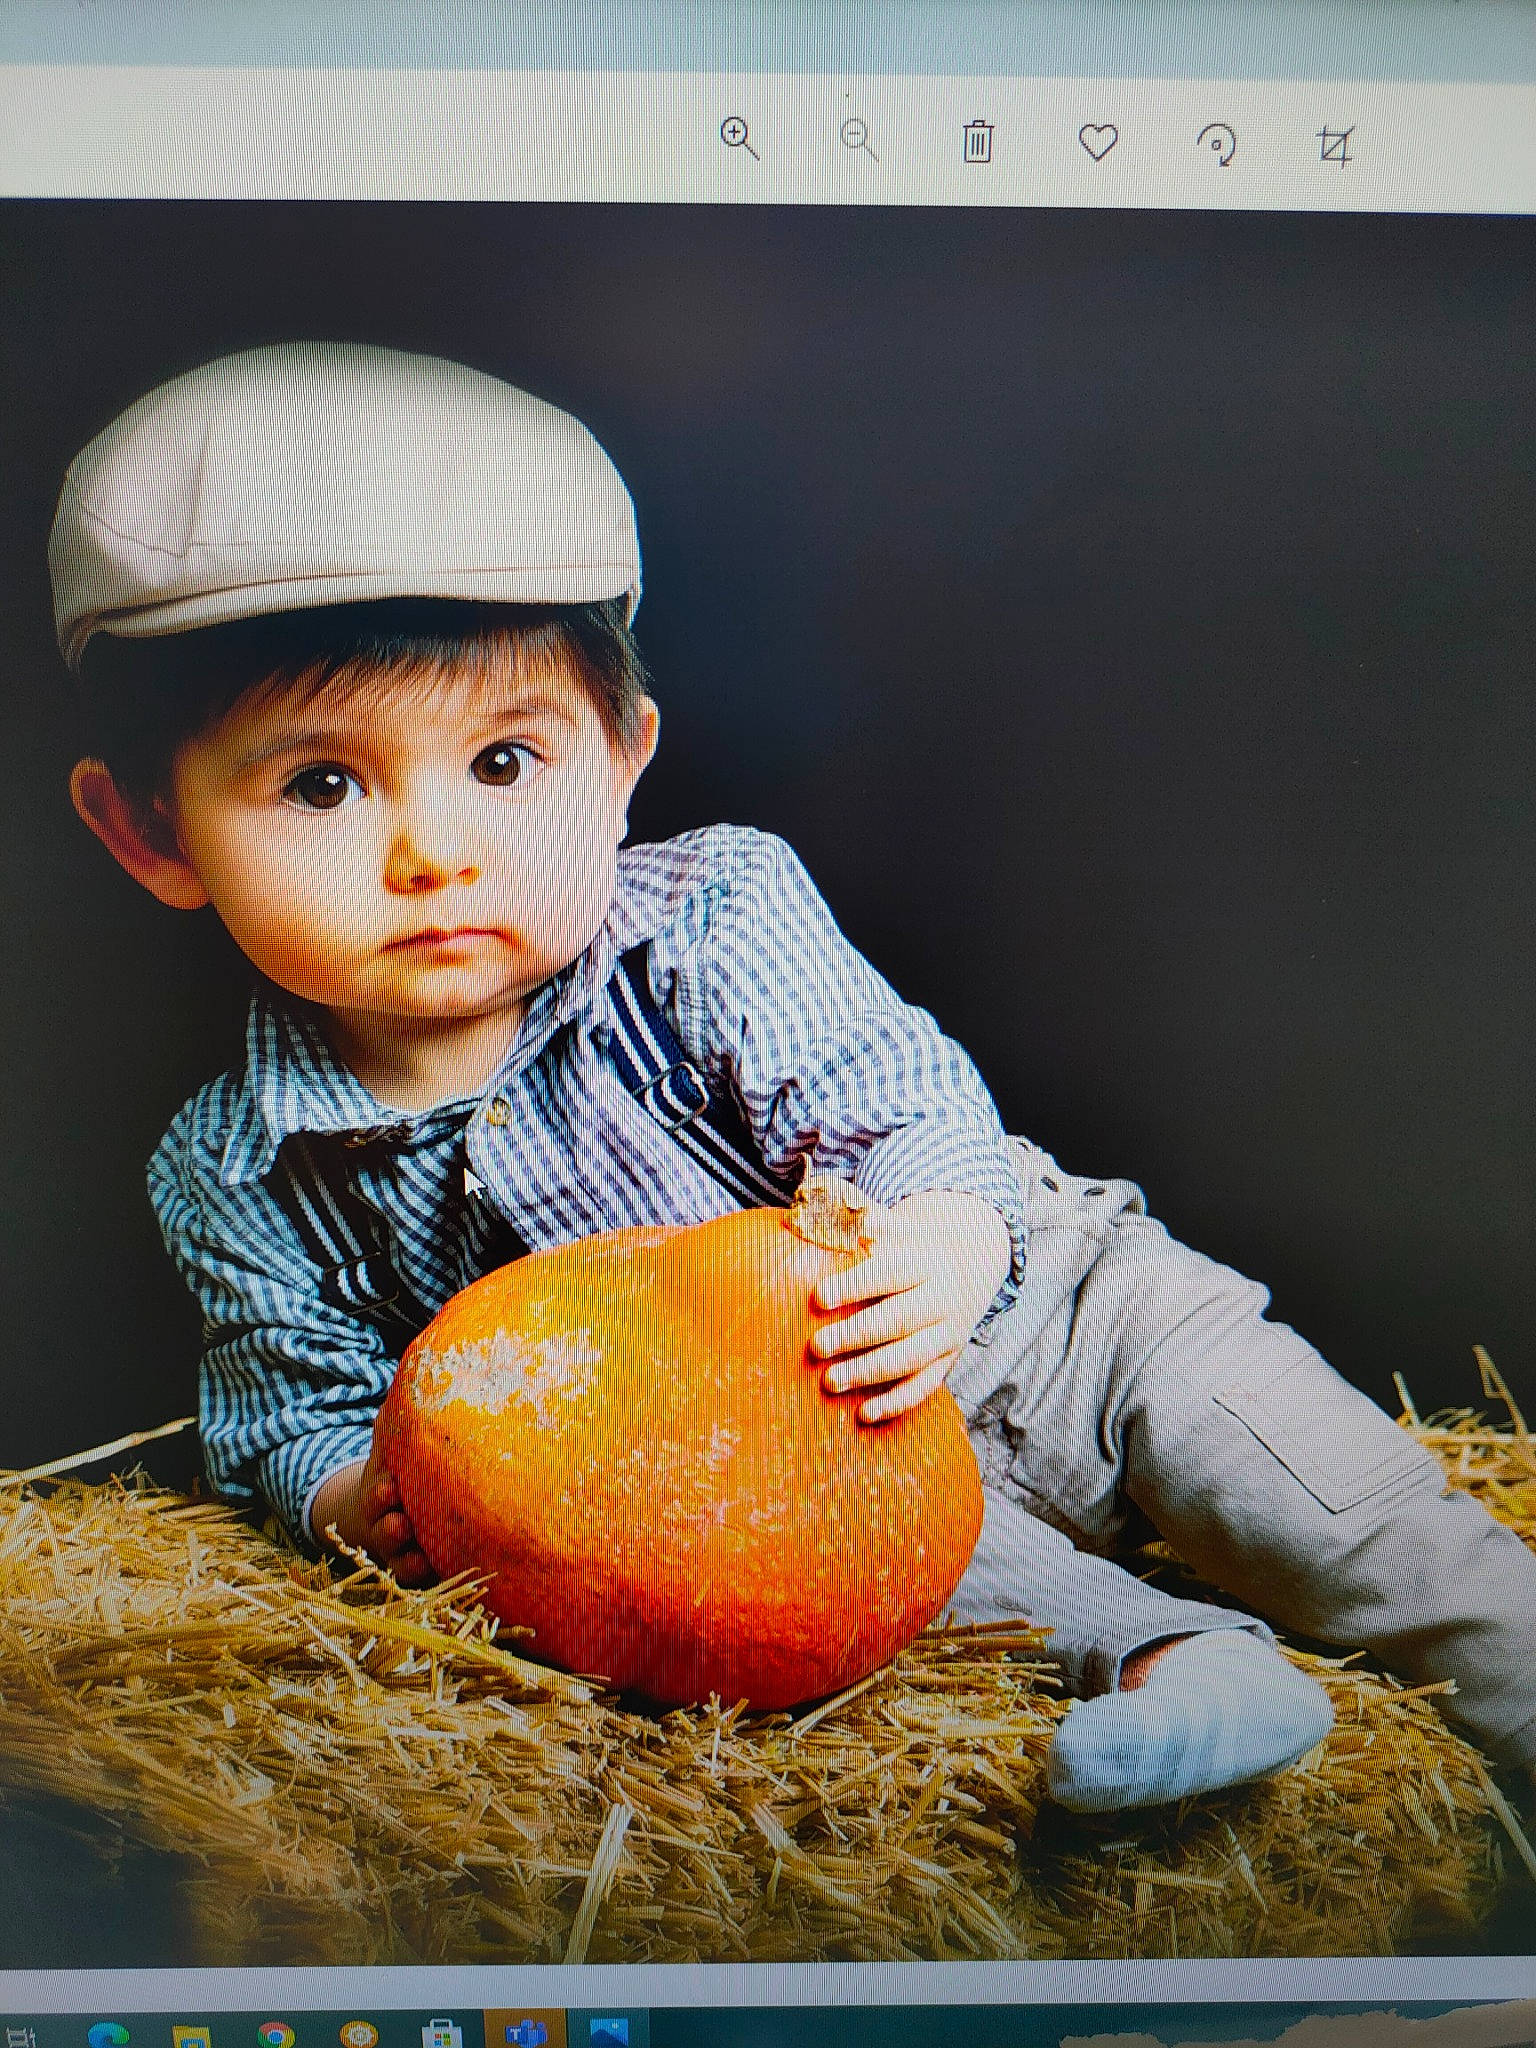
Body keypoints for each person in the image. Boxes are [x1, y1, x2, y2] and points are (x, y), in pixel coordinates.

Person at [48, 344, 1531, 1816]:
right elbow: (282, 1398)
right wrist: (346, 1495)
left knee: (1324, 1496)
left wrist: (944, 1237)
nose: (434, 852)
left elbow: (893, 1093)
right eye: (322, 785)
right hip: (782, 1475)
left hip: (1059, 1325)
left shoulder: (710, 917)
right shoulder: (235, 1164)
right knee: (890, 1595)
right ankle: (1182, 1664)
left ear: (623, 759)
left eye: (505, 762)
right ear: (156, 837)